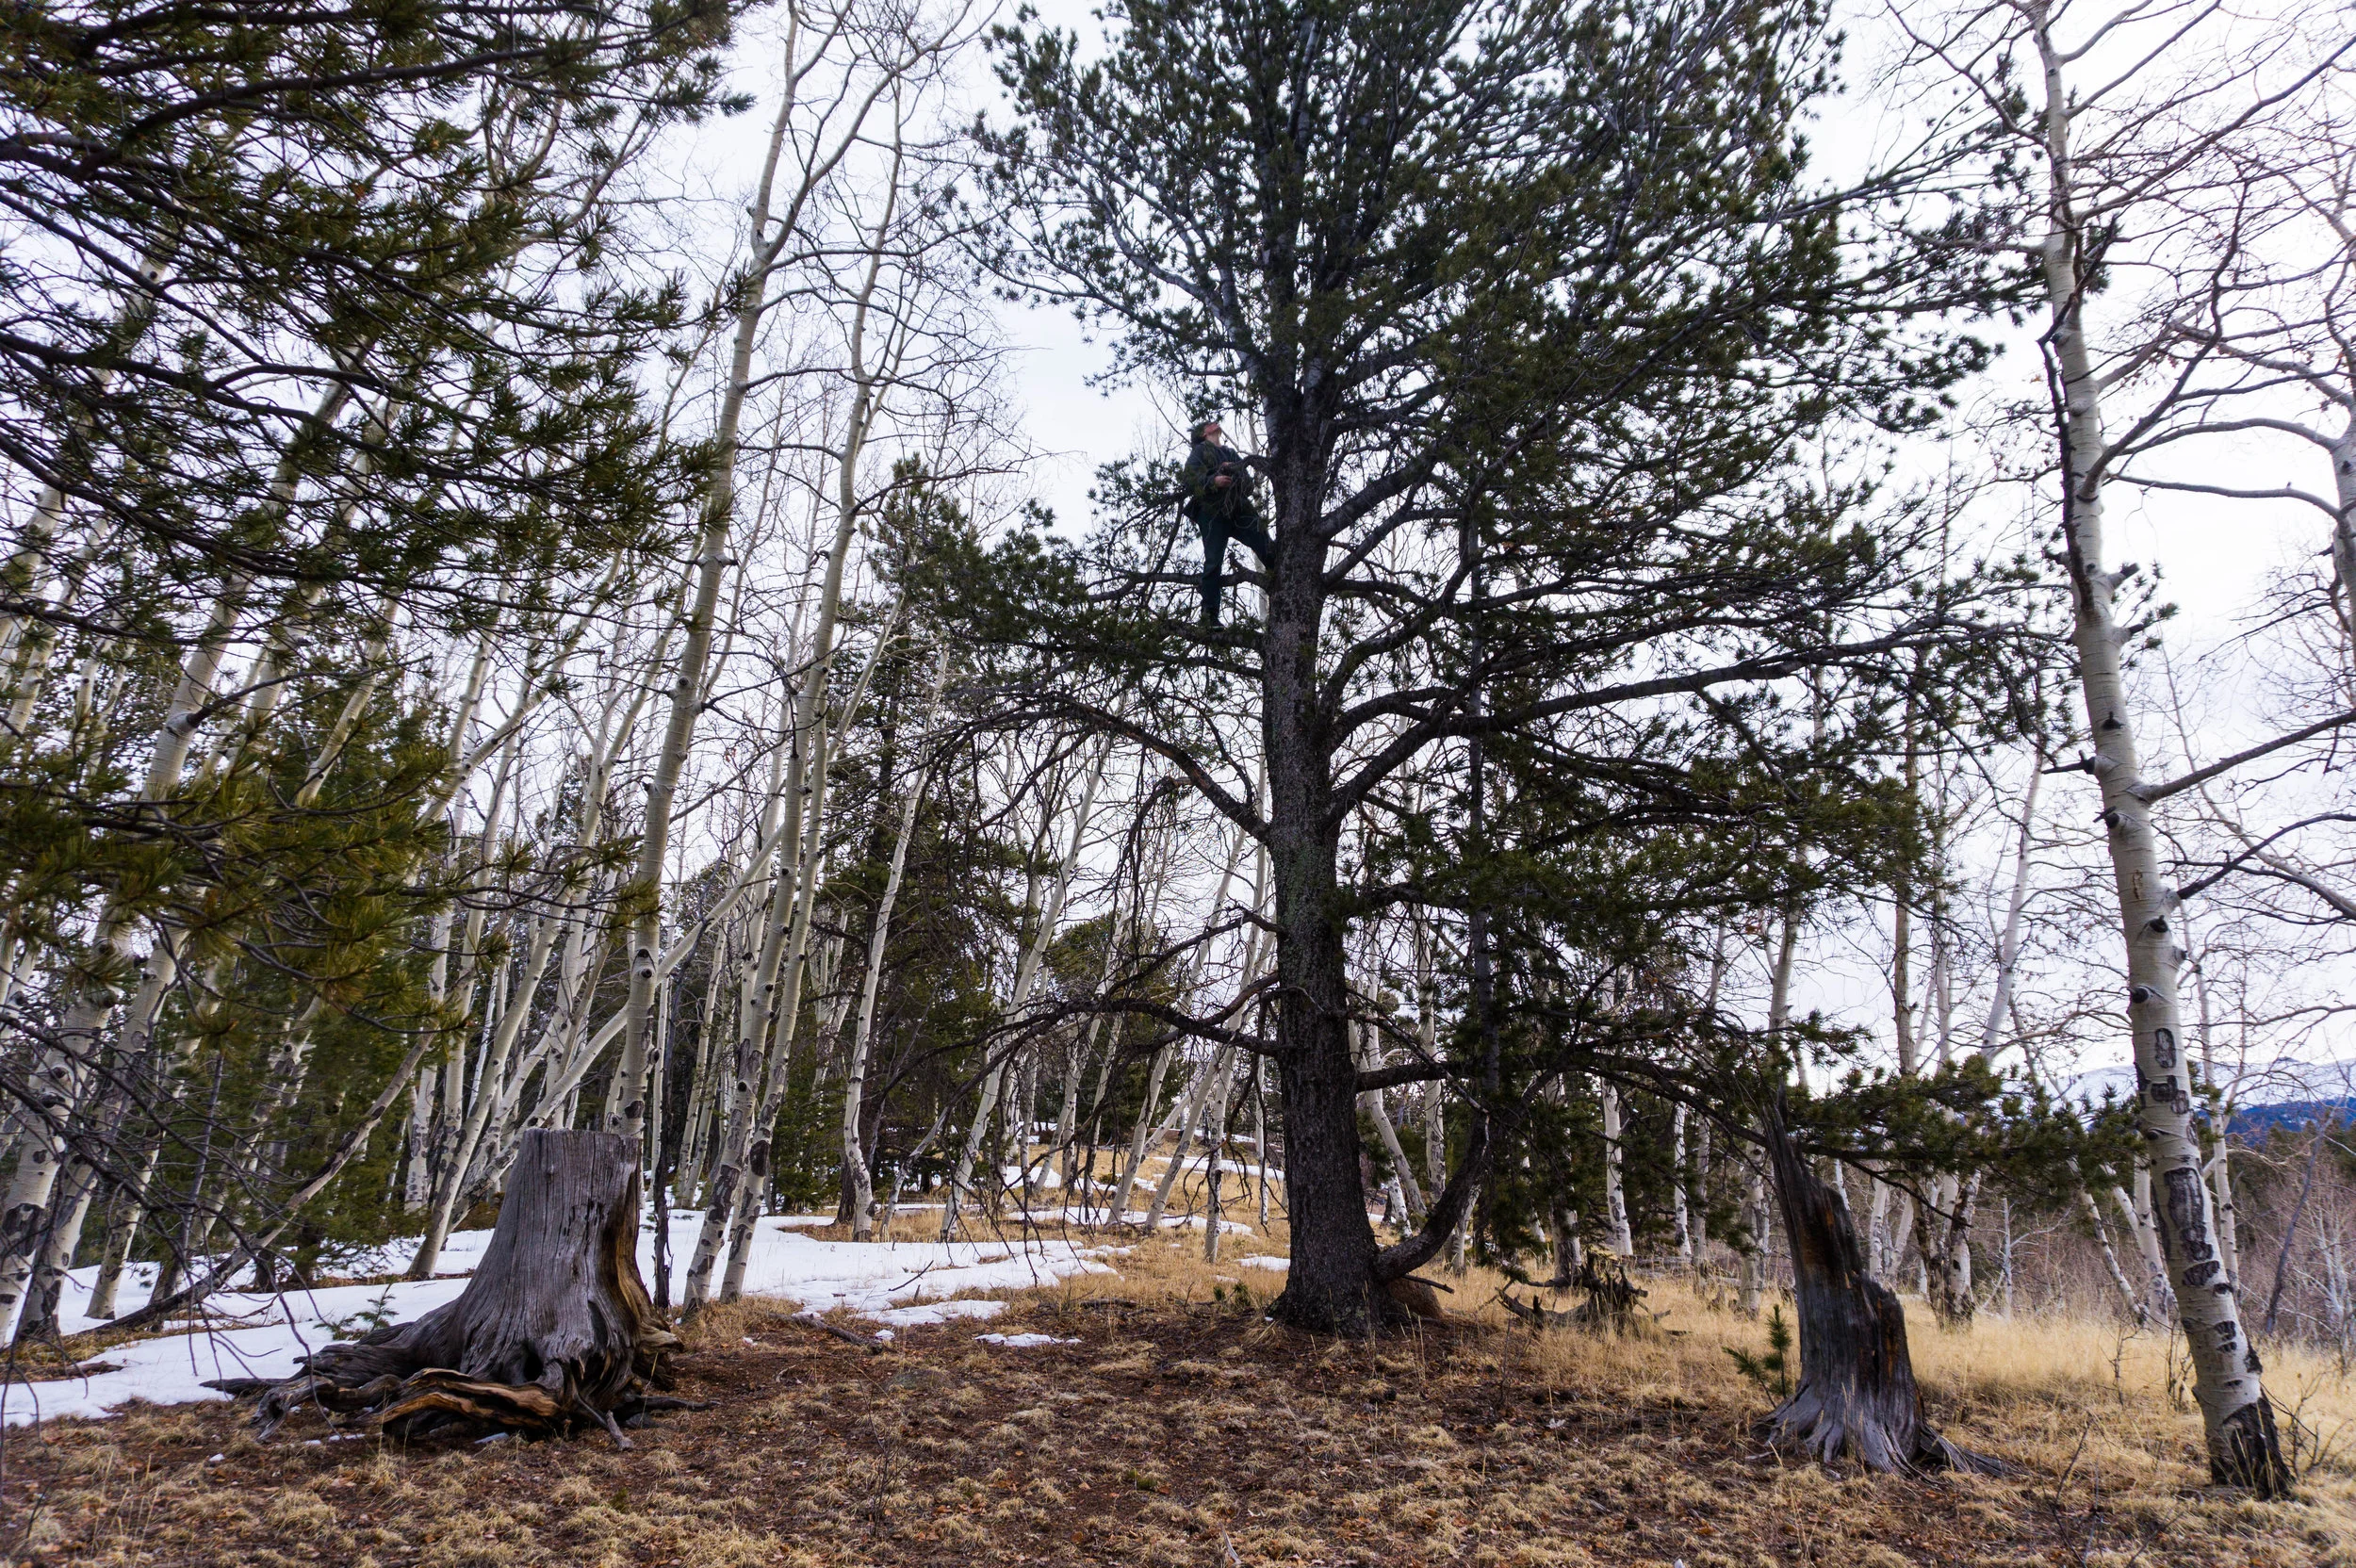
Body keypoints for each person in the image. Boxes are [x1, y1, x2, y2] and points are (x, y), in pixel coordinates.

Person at [1179, 417, 1271, 627]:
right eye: (1208, 424)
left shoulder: (1230, 453)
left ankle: (1282, 577)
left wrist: (1235, 470)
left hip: (1239, 508)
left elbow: (1248, 486)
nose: (1214, 424)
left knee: (1264, 541)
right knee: (1213, 562)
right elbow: (1189, 480)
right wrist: (1214, 480)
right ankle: (1209, 617)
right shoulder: (1201, 450)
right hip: (1212, 512)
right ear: (1204, 433)